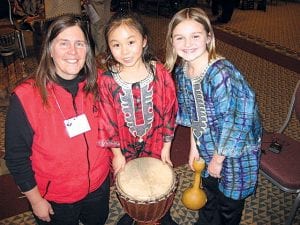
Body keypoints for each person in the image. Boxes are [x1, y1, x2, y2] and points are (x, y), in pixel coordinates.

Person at [5, 15, 111, 225]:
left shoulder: (101, 82)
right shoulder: (26, 97)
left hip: (98, 188)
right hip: (55, 197)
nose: (73, 52)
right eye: (63, 43)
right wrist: (35, 200)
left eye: (79, 44)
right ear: (49, 49)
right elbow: (16, 157)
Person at [165, 7, 262, 225]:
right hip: (208, 143)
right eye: (180, 37)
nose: (187, 43)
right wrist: (194, 148)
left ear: (209, 37)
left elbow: (237, 121)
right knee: (209, 192)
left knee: (228, 202)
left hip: (236, 150)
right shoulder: (183, 71)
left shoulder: (221, 74)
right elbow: (192, 116)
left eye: (195, 36)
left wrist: (218, 159)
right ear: (172, 41)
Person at [97, 12, 178, 225]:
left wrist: (166, 149)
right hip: (123, 146)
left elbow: (170, 112)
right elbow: (106, 120)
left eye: (131, 42)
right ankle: (134, 213)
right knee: (130, 186)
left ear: (144, 41)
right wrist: (116, 154)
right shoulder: (106, 80)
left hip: (156, 141)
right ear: (108, 47)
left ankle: (161, 212)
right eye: (116, 45)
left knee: (157, 185)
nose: (124, 51)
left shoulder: (160, 73)